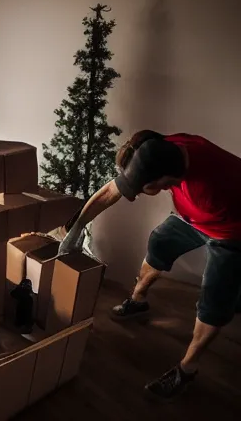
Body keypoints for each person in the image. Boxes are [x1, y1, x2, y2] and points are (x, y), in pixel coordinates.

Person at [59, 130, 241, 400]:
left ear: (167, 180)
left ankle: (187, 369)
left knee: (214, 299)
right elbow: (112, 190)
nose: (134, 196)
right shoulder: (164, 148)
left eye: (144, 189)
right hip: (194, 217)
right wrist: (76, 229)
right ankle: (138, 300)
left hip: (230, 231)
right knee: (160, 242)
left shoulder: (203, 192)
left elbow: (201, 213)